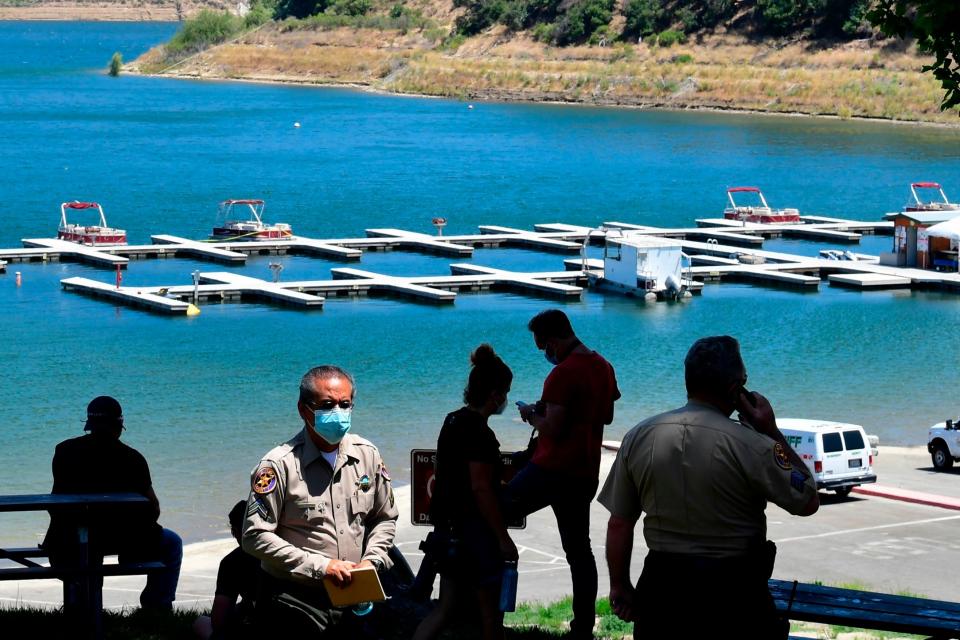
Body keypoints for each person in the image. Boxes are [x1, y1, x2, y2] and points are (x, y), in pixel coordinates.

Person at [599, 336, 820, 639]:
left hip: (662, 588)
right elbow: (806, 500)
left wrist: (620, 585)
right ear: (735, 390)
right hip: (734, 595)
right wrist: (771, 431)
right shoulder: (753, 445)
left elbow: (619, 523)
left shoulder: (638, 436)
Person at [242, 365, 398, 636]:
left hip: (355, 595)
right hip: (294, 600)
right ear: (304, 410)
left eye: (345, 404)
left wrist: (372, 560)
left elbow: (384, 517)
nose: (338, 412)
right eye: (327, 405)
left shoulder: (367, 455)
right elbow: (254, 536)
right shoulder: (278, 465)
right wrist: (321, 567)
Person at [507, 309, 620, 639]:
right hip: (585, 472)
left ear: (554, 341)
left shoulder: (562, 374)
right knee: (579, 552)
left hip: (551, 469)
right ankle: (582, 628)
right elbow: (607, 416)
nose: (544, 353)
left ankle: (480, 607)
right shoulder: (603, 367)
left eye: (543, 346)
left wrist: (531, 414)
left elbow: (553, 430)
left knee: (494, 512)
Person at [413, 344, 518, 640]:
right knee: (490, 618)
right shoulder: (481, 434)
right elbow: (481, 488)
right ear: (495, 395)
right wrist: (503, 539)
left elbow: (458, 474)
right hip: (474, 536)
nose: (506, 399)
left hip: (447, 532)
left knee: (445, 609)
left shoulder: (453, 419)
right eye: (506, 392)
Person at [43, 395, 183, 611]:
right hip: (121, 540)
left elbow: (58, 502)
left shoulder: (64, 451)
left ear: (89, 425)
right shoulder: (133, 458)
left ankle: (80, 607)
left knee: (85, 549)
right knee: (172, 543)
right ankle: (157, 607)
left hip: (67, 541)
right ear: (119, 426)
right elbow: (153, 509)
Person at [194, 501, 259, 639]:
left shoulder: (232, 562)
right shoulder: (286, 553)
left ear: (235, 531)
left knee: (201, 623)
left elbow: (218, 621)